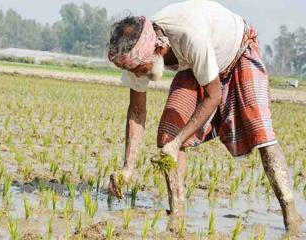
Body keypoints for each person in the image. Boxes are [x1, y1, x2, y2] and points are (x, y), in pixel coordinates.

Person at [106, 0, 302, 232]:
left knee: (261, 131)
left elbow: (214, 95)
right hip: (197, 65)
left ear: (158, 49)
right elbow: (137, 112)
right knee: (168, 134)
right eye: (135, 70)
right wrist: (127, 168)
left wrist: (180, 141)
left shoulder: (189, 35)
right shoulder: (138, 55)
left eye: (141, 69)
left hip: (237, 51)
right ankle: (177, 215)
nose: (139, 74)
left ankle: (291, 216)